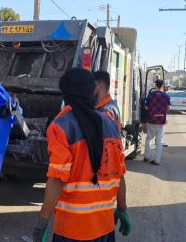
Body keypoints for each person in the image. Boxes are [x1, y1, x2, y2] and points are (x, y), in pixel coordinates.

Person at [33, 68, 130, 242]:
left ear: (67, 94)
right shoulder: (110, 125)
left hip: (72, 229)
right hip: (104, 228)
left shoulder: (61, 127)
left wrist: (42, 223)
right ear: (91, 91)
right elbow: (119, 173)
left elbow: (57, 179)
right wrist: (122, 208)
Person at [143, 79, 171, 166]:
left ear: (155, 86)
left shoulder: (151, 95)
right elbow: (169, 108)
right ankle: (157, 160)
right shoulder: (166, 96)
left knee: (148, 139)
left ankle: (147, 157)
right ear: (162, 86)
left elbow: (146, 107)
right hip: (161, 121)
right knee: (159, 141)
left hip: (151, 120)